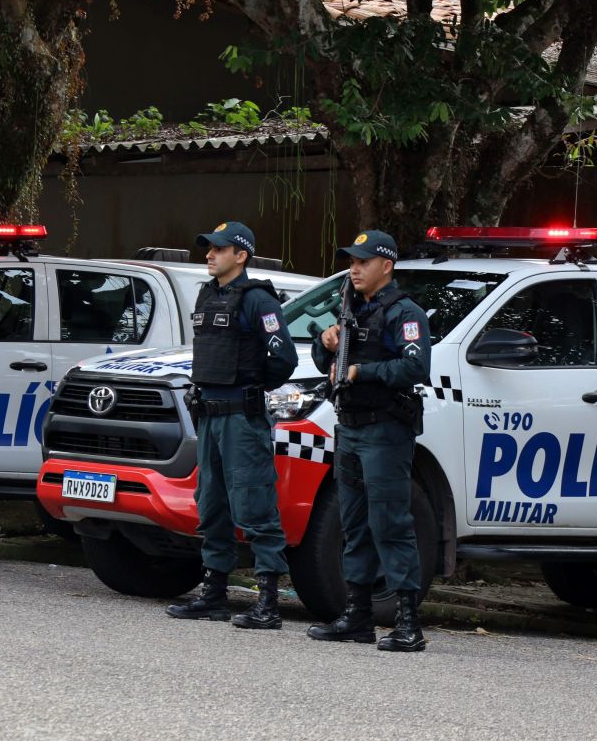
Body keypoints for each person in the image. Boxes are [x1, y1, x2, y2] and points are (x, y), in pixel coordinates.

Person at [166, 221, 298, 629]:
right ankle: (215, 595)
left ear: (240, 255)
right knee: (212, 506)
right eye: (207, 248)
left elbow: (284, 358)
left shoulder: (258, 300)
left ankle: (268, 602)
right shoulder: (208, 294)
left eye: (218, 250)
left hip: (242, 419)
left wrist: (252, 389)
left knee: (254, 507)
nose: (208, 255)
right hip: (209, 417)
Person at [306, 230, 431, 652]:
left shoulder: (405, 313)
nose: (354, 268)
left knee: (390, 524)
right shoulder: (350, 309)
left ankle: (408, 622)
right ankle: (357, 616)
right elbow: (329, 364)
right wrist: (326, 347)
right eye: (351, 261)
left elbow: (414, 368)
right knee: (354, 524)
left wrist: (363, 371)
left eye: (362, 261)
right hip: (351, 427)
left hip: (385, 431)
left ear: (386, 266)